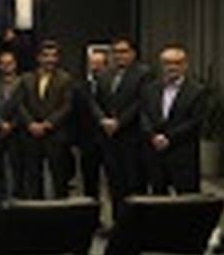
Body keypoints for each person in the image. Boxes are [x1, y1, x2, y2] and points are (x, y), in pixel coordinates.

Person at [94, 37, 151, 215]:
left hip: (132, 137)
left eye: (124, 51)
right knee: (114, 183)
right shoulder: (104, 74)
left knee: (134, 183)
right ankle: (118, 221)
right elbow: (95, 102)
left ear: (133, 53)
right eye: (116, 52)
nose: (120, 56)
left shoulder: (144, 74)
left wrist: (119, 122)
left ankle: (135, 224)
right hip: (110, 139)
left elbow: (141, 102)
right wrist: (102, 119)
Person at [140, 45, 206, 195]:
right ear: (161, 65)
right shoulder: (150, 89)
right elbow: (144, 115)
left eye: (177, 63)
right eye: (167, 63)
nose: (172, 67)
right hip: (155, 153)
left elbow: (195, 121)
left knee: (187, 199)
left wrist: (168, 138)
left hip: (182, 153)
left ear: (185, 65)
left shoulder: (197, 91)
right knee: (158, 198)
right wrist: (152, 136)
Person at [15, 40, 74, 198]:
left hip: (55, 134)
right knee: (33, 177)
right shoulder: (26, 78)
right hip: (31, 135)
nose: (50, 59)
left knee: (59, 177)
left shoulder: (65, 79)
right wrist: (30, 123)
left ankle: (61, 209)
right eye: (46, 55)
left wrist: (48, 124)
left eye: (53, 56)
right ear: (38, 58)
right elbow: (19, 104)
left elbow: (67, 106)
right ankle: (37, 209)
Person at [0, 50, 24, 208]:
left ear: (15, 65)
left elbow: (23, 106)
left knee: (17, 169)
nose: (6, 66)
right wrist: (0, 124)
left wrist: (12, 124)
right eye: (3, 63)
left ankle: (17, 203)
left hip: (16, 132)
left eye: (9, 63)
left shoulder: (22, 82)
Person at [74, 48, 109, 202]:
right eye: (92, 64)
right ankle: (91, 213)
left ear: (106, 65)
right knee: (89, 181)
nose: (95, 67)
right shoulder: (79, 86)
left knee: (114, 181)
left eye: (99, 64)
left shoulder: (113, 86)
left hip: (110, 139)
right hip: (87, 140)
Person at [10, 0, 48, 72]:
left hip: (33, 35)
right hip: (15, 35)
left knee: (33, 67)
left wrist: (42, 36)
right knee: (15, 66)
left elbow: (43, 16)